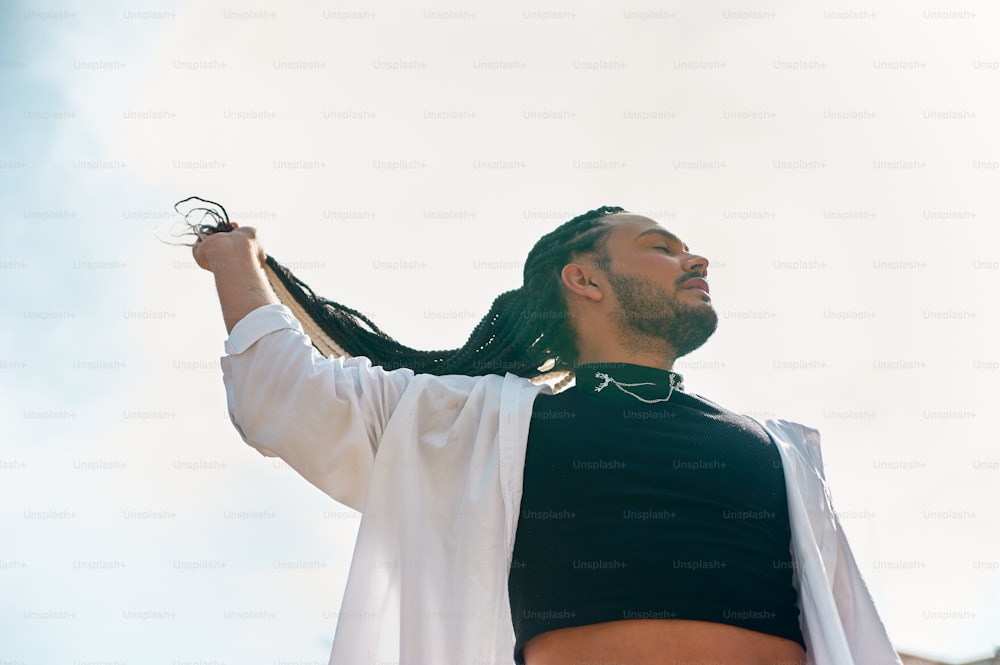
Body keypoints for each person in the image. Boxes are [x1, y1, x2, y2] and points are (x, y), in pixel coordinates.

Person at [192, 206, 902, 665]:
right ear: (584, 279)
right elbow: (285, 394)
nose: (697, 259)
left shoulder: (781, 451)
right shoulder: (483, 425)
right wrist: (237, 259)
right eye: (662, 247)